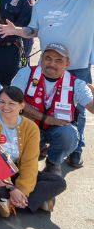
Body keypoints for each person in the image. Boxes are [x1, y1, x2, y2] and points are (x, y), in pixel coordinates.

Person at [0, 0, 94, 167]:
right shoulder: (43, 2)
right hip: (48, 65)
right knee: (35, 101)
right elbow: (33, 30)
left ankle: (75, 149)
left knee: (79, 111)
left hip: (77, 67)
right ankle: (38, 143)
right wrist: (17, 31)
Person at [0, 86, 67, 216]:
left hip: (18, 171)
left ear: (22, 106)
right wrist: (11, 187)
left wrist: (22, 190)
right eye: (2, 102)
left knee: (59, 182)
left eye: (11, 103)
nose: (5, 107)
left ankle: (10, 201)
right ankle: (31, 200)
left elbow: (30, 161)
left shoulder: (31, 127)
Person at [9, 44, 94, 175]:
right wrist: (45, 118)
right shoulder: (26, 73)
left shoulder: (77, 84)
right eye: (48, 58)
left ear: (67, 64)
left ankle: (53, 162)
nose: (52, 64)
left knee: (69, 134)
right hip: (30, 127)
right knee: (15, 127)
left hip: (57, 130)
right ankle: (28, 157)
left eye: (59, 60)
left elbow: (91, 107)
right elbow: (13, 101)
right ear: (41, 59)